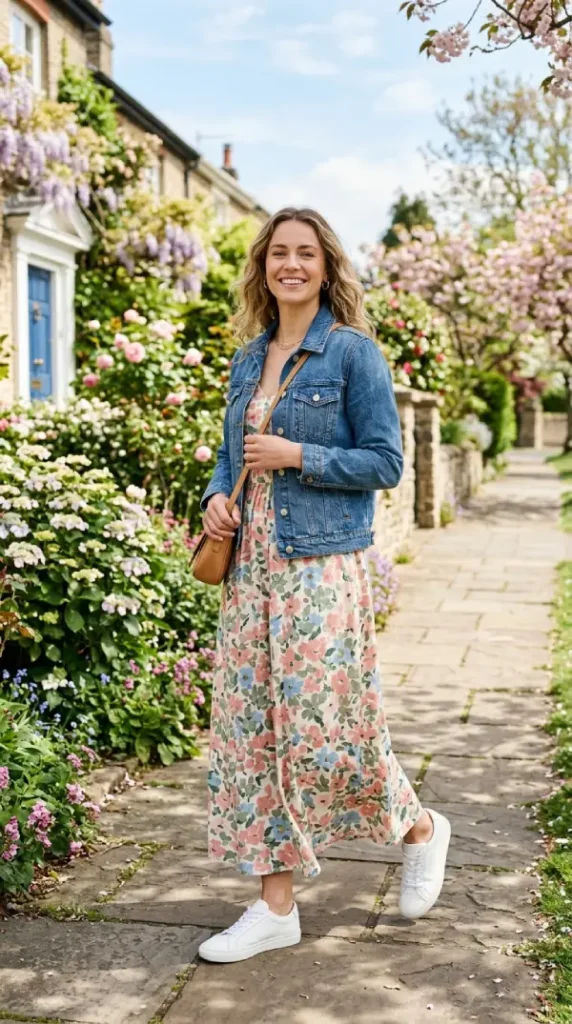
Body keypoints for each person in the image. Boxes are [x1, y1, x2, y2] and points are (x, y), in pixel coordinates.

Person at [197, 207, 450, 964]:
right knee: (252, 734)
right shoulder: (249, 360)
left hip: (320, 569)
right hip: (250, 572)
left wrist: (296, 453)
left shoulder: (352, 355)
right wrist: (216, 495)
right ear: (264, 267)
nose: (292, 265)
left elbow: (384, 463)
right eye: (280, 253)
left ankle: (419, 829)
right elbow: (227, 454)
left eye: (306, 253)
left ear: (327, 265)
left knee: (329, 728)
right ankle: (275, 906)